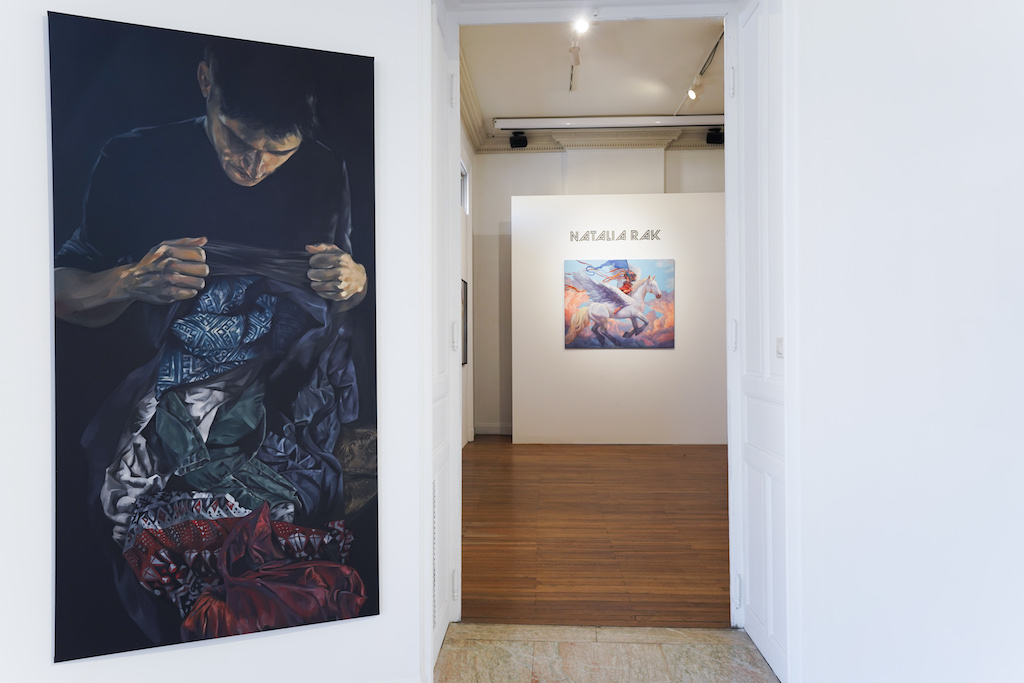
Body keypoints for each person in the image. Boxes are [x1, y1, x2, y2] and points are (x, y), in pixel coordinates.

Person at [53, 37, 373, 645]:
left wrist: (353, 282)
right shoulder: (134, 158)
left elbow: (341, 300)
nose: (254, 166)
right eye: (237, 139)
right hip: (154, 379)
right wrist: (129, 280)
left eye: (277, 152)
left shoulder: (323, 169)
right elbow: (55, 292)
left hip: (283, 388)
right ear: (206, 81)